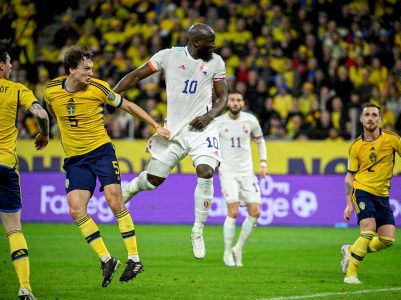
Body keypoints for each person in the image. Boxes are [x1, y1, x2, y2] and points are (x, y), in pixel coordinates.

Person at [43, 45, 170, 287]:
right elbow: (50, 110)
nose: (91, 73)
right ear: (71, 70)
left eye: (92, 68)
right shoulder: (50, 90)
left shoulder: (99, 88)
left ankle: (134, 258)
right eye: (86, 69)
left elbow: (129, 106)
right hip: (75, 159)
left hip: (101, 152)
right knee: (76, 210)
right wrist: (45, 132)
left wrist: (155, 125)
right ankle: (106, 259)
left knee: (114, 200)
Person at [114, 23, 228, 260]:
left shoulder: (216, 61)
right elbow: (136, 75)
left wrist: (208, 116)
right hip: (173, 130)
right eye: (211, 42)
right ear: (196, 42)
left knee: (206, 172)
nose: (215, 46)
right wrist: (111, 95)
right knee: (154, 180)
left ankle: (198, 231)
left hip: (203, 129)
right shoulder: (168, 56)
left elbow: (223, 97)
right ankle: (133, 188)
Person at [341, 103, 401, 284]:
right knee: (368, 231)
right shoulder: (356, 147)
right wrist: (348, 203)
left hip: (382, 195)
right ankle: (350, 274)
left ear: (380, 119)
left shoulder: (392, 139)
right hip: (362, 191)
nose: (370, 118)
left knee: (387, 239)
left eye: (374, 115)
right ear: (361, 119)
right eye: (367, 115)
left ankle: (350, 250)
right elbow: (350, 176)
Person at [0, 39, 49, 300]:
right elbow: (41, 114)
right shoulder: (16, 89)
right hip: (5, 166)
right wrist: (44, 134)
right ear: (1, 65)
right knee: (14, 229)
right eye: (9, 63)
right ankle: (24, 287)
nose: (11, 67)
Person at [216, 92, 267, 267]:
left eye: (238, 100)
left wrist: (263, 163)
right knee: (234, 211)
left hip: (246, 172)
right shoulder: (218, 122)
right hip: (228, 171)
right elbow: (210, 144)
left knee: (255, 212)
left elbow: (260, 141)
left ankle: (237, 249)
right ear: (226, 102)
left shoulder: (250, 120)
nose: (235, 103)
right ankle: (227, 253)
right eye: (232, 100)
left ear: (243, 103)